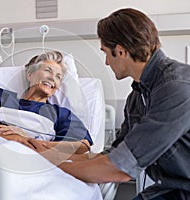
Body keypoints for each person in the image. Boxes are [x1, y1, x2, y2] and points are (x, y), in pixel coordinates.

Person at [30, 8, 190, 199]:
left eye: (106, 53)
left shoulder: (176, 88)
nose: (106, 62)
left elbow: (118, 168)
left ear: (121, 51)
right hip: (172, 189)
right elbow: (113, 154)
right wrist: (54, 155)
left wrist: (56, 166)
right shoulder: (137, 97)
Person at [0, 50, 93, 154]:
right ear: (30, 74)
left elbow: (83, 145)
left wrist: (29, 140)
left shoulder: (61, 114)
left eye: (58, 77)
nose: (52, 78)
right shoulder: (0, 96)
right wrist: (17, 138)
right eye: (48, 70)